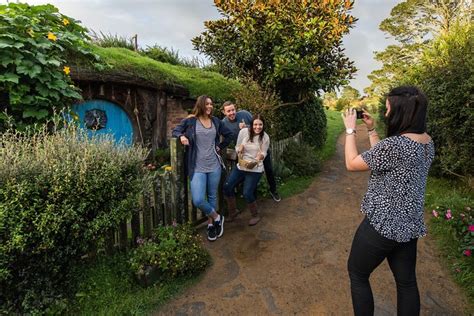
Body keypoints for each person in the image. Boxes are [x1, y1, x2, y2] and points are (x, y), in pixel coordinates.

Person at [342, 86, 435, 316]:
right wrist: (372, 130)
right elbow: (383, 161)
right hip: (408, 226)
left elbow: (352, 163)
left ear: (400, 112)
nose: (386, 114)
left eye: (388, 109)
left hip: (382, 226)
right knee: (406, 283)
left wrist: (351, 131)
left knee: (358, 273)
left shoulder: (396, 145)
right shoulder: (426, 142)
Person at [172, 95, 233, 241]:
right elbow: (175, 131)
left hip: (214, 165)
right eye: (207, 104)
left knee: (212, 196)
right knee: (198, 199)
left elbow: (229, 135)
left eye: (211, 104)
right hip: (197, 166)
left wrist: (220, 146)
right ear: (200, 105)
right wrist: (181, 136)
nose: (210, 107)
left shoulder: (216, 121)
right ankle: (218, 217)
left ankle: (211, 225)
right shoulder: (191, 121)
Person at [221, 101, 281, 203]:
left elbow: (257, 124)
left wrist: (246, 128)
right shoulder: (223, 123)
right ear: (224, 112)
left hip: (260, 149)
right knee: (244, 172)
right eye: (228, 111)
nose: (231, 113)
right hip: (243, 152)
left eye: (233, 110)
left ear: (236, 109)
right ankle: (250, 194)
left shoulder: (244, 114)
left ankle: (273, 190)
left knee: (268, 169)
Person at [223, 114, 270, 226]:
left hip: (255, 168)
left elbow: (264, 153)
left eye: (260, 124)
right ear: (251, 124)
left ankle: (255, 215)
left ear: (263, 125)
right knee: (227, 187)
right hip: (241, 165)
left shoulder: (265, 137)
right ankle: (233, 212)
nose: (257, 127)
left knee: (247, 192)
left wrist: (258, 159)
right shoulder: (244, 132)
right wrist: (240, 150)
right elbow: (238, 146)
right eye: (255, 124)